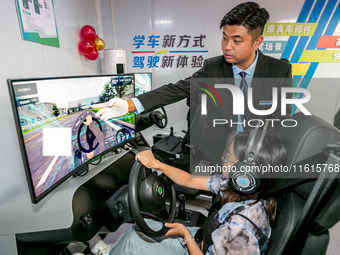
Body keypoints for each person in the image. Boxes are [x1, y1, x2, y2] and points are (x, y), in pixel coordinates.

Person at [94, 2, 292, 165]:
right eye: (224, 38)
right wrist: (130, 105)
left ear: (257, 42)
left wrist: (254, 153)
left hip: (258, 157)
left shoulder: (278, 71)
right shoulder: (213, 68)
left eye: (236, 41)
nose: (227, 47)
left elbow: (279, 118)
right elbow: (177, 89)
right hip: (218, 155)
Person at [88, 129, 285, 255]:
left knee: (134, 244)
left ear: (246, 173)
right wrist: (156, 164)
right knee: (141, 228)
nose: (223, 159)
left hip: (200, 248)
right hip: (206, 241)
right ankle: (114, 251)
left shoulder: (242, 227)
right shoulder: (239, 187)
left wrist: (185, 234)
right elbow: (189, 179)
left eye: (228, 158)